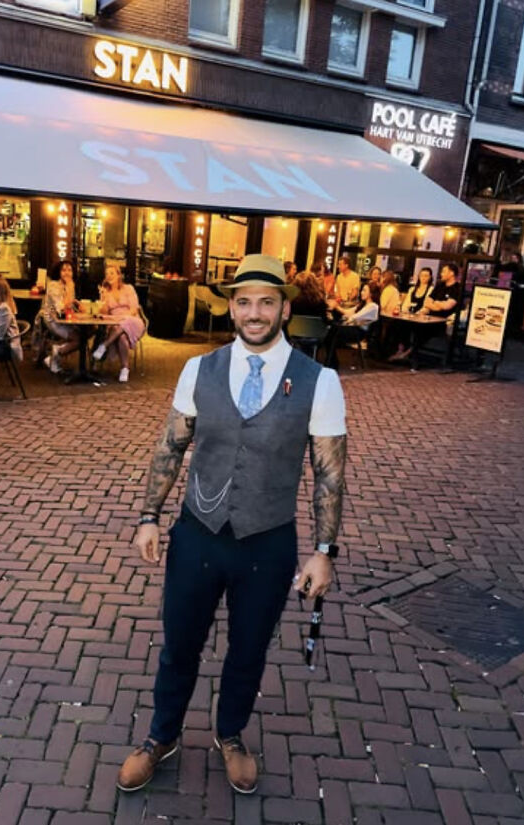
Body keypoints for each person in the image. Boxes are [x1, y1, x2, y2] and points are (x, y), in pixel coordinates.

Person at [116, 254, 346, 795]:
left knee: (249, 649)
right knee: (179, 645)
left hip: (267, 542)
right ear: (232, 307)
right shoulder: (200, 368)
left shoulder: (320, 381)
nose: (255, 312)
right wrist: (149, 516)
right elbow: (171, 446)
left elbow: (330, 474)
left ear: (285, 308)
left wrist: (324, 551)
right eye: (244, 301)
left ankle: (231, 734)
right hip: (196, 533)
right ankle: (161, 736)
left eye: (267, 302)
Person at [92, 263, 145, 383]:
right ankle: (125, 369)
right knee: (122, 338)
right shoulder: (106, 292)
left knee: (124, 322)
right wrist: (103, 298)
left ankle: (104, 345)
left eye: (112, 273)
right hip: (115, 324)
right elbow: (104, 313)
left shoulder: (128, 288)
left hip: (132, 320)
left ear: (118, 275)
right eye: (107, 274)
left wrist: (123, 317)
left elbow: (134, 309)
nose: (109, 276)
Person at [326, 282, 380, 369]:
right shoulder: (362, 305)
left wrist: (337, 307)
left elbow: (354, 317)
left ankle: (331, 362)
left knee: (332, 332)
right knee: (331, 332)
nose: (361, 292)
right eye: (362, 290)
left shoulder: (373, 306)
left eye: (364, 290)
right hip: (353, 328)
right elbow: (348, 312)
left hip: (359, 332)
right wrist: (337, 307)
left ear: (371, 293)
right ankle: (331, 361)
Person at [40, 260, 80, 373]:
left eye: (70, 270)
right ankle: (57, 352)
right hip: (53, 320)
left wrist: (77, 305)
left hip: (65, 319)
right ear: (59, 272)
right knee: (79, 339)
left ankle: (52, 357)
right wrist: (71, 287)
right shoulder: (53, 286)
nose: (67, 273)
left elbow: (69, 306)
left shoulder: (68, 286)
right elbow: (62, 308)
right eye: (64, 270)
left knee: (91, 330)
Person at [387, 267, 435, 362]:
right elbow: (406, 303)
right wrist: (405, 312)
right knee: (397, 323)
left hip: (421, 316)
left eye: (426, 276)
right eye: (422, 275)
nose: (423, 278)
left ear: (430, 277)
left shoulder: (431, 289)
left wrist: (419, 313)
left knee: (414, 328)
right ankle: (399, 349)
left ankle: (408, 352)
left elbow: (427, 305)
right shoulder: (413, 289)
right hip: (409, 315)